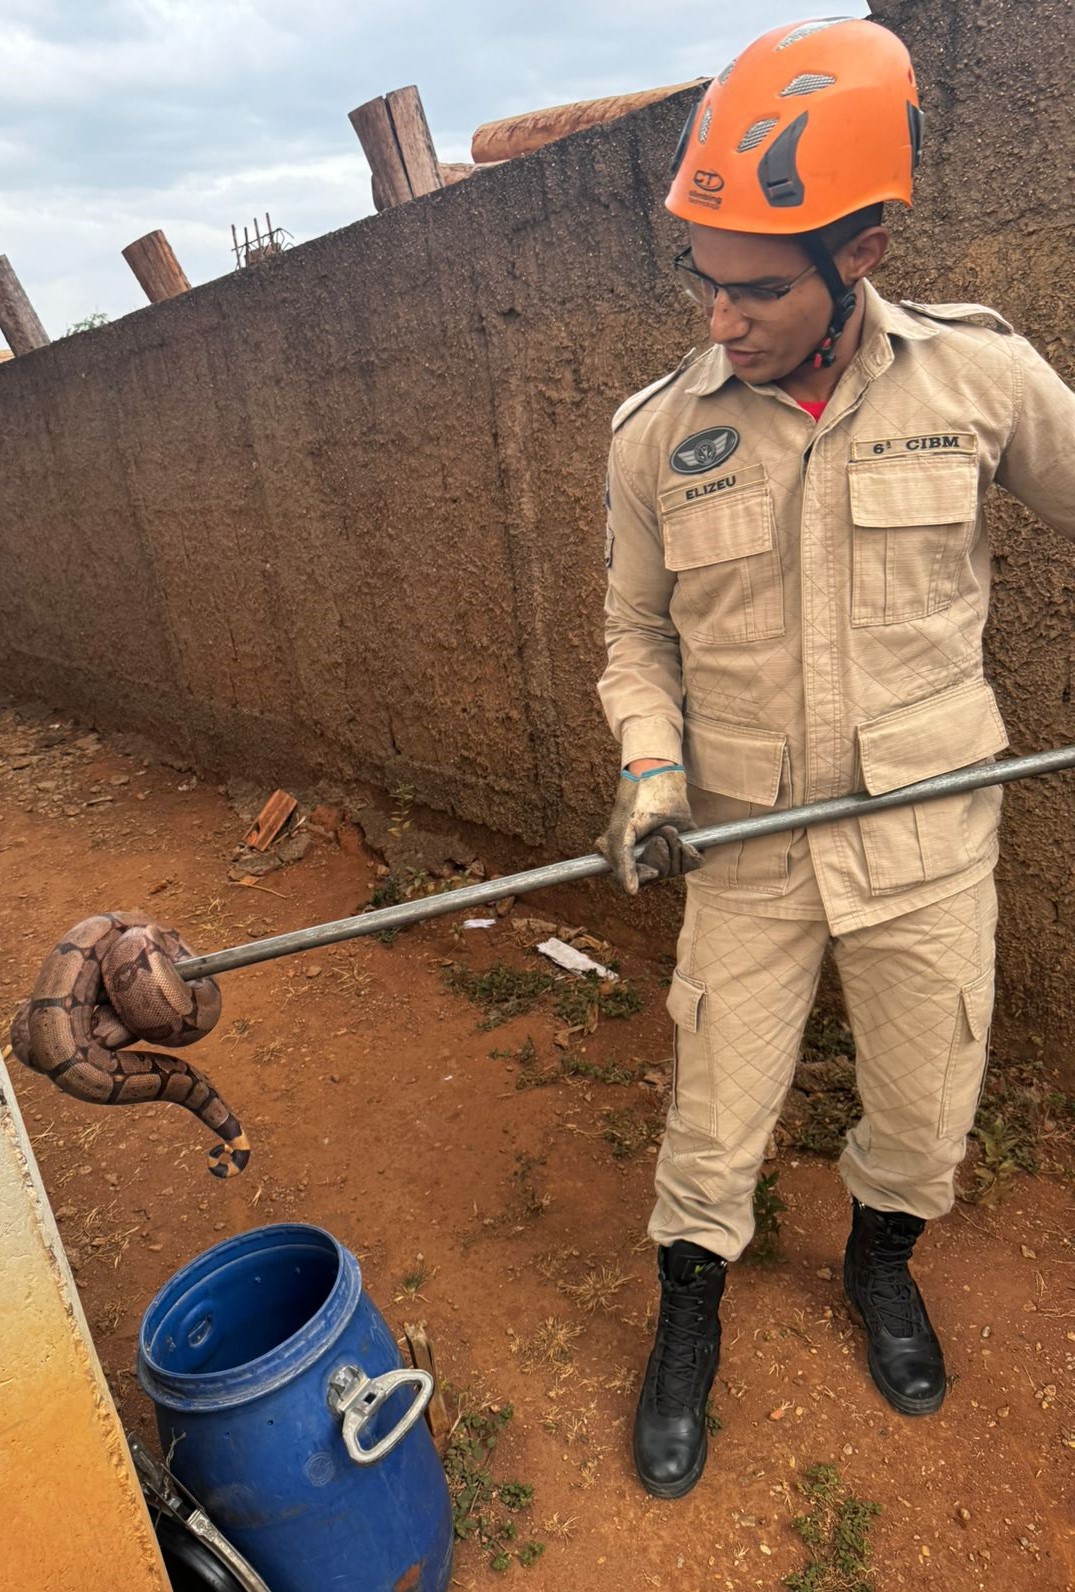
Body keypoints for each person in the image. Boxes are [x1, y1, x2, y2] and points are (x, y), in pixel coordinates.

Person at [596, 14, 1075, 1500]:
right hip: (741, 839)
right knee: (714, 1111)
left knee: (928, 1104)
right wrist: (650, 773)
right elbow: (636, 639)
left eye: (756, 292)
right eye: (705, 282)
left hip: (931, 838)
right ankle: (690, 1316)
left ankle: (881, 1262)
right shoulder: (652, 437)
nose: (720, 320)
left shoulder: (981, 383)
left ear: (858, 249)